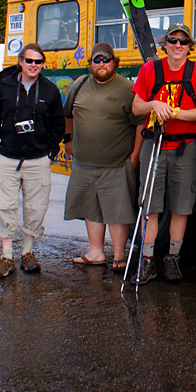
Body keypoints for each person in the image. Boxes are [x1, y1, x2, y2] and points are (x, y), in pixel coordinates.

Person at [130, 23, 196, 284]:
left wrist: (176, 113)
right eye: (172, 40)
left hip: (184, 148)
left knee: (181, 208)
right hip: (154, 144)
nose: (178, 45)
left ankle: (172, 260)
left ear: (190, 46)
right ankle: (147, 262)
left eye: (183, 41)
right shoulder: (150, 70)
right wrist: (154, 104)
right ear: (164, 44)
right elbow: (136, 108)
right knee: (151, 208)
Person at [0, 43, 66, 280]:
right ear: (20, 61)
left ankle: (28, 253)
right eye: (29, 61)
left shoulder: (49, 90)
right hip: (8, 158)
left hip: (38, 159)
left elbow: (57, 125)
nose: (34, 65)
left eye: (38, 62)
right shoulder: (4, 88)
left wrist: (51, 152)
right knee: (4, 206)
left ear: (43, 64)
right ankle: (6, 255)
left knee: (35, 207)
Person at [63, 42, 144, 273]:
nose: (101, 64)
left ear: (114, 63)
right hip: (84, 163)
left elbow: (139, 124)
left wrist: (135, 155)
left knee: (117, 211)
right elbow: (68, 113)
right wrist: (68, 140)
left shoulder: (127, 89)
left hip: (117, 164)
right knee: (91, 209)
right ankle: (95, 252)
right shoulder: (79, 85)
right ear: (90, 63)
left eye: (106, 59)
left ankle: (119, 255)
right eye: (97, 60)